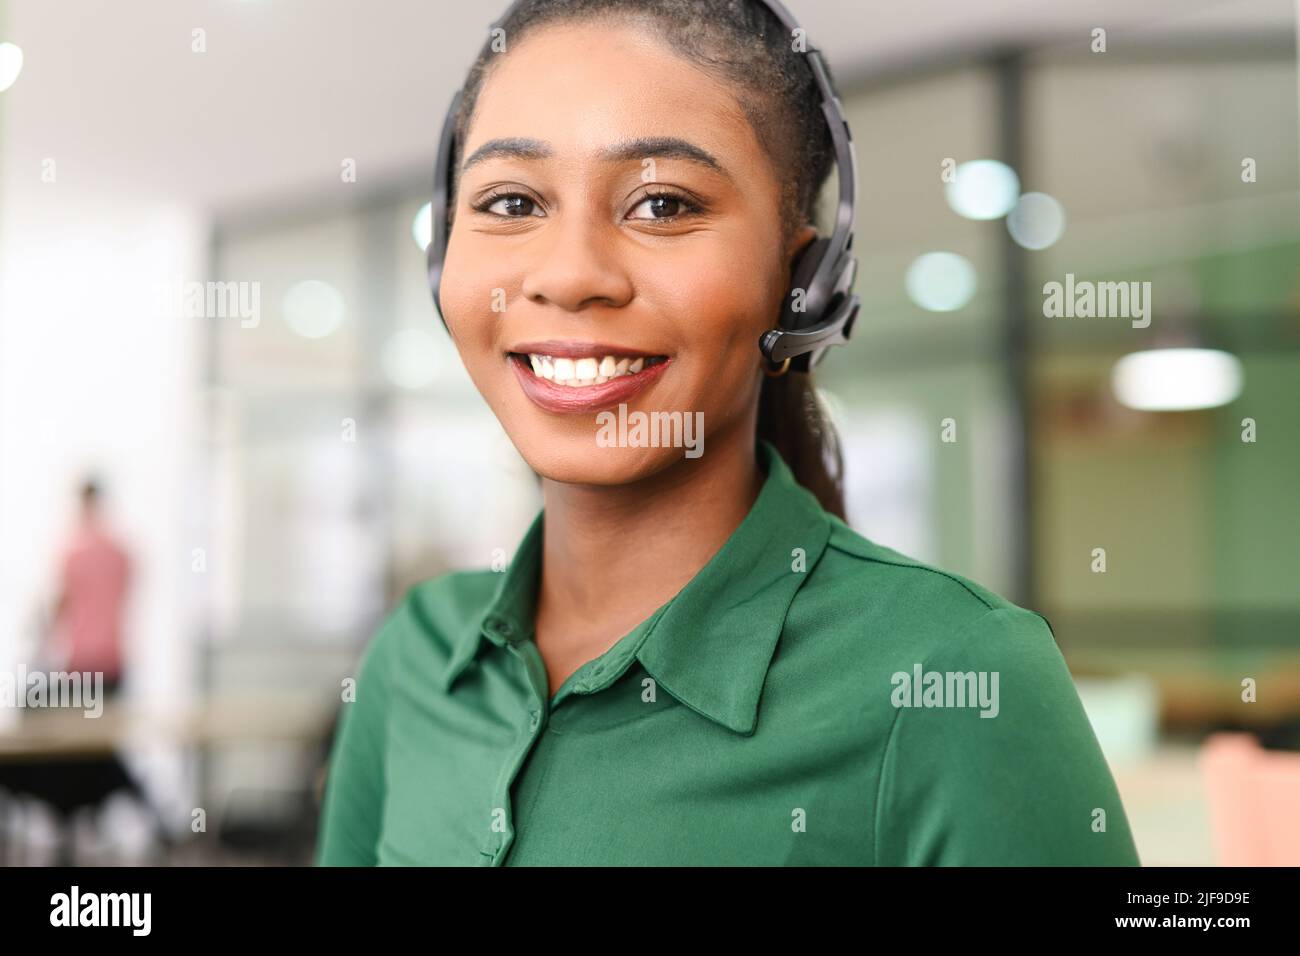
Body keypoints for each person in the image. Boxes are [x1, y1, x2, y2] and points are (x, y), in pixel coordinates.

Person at [317, 0, 1141, 866]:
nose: (569, 275)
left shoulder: (958, 679)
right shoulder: (417, 655)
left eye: (662, 203)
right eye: (513, 200)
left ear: (802, 282)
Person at [50, 478, 131, 698]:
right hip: (113, 661)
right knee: (107, 728)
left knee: (79, 728)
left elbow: (61, 606)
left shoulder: (72, 554)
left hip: (82, 662)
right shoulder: (121, 554)